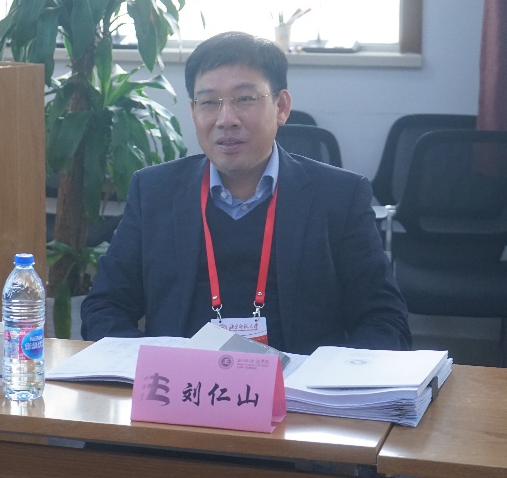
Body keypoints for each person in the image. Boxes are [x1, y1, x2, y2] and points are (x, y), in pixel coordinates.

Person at [80, 31, 411, 354]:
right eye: (209, 103)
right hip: (182, 387)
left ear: (281, 106)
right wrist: (153, 368)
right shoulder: (154, 192)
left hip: (297, 388)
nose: (226, 119)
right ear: (194, 112)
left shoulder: (339, 197)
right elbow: (105, 307)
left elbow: (384, 322)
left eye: (244, 99)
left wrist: (322, 379)